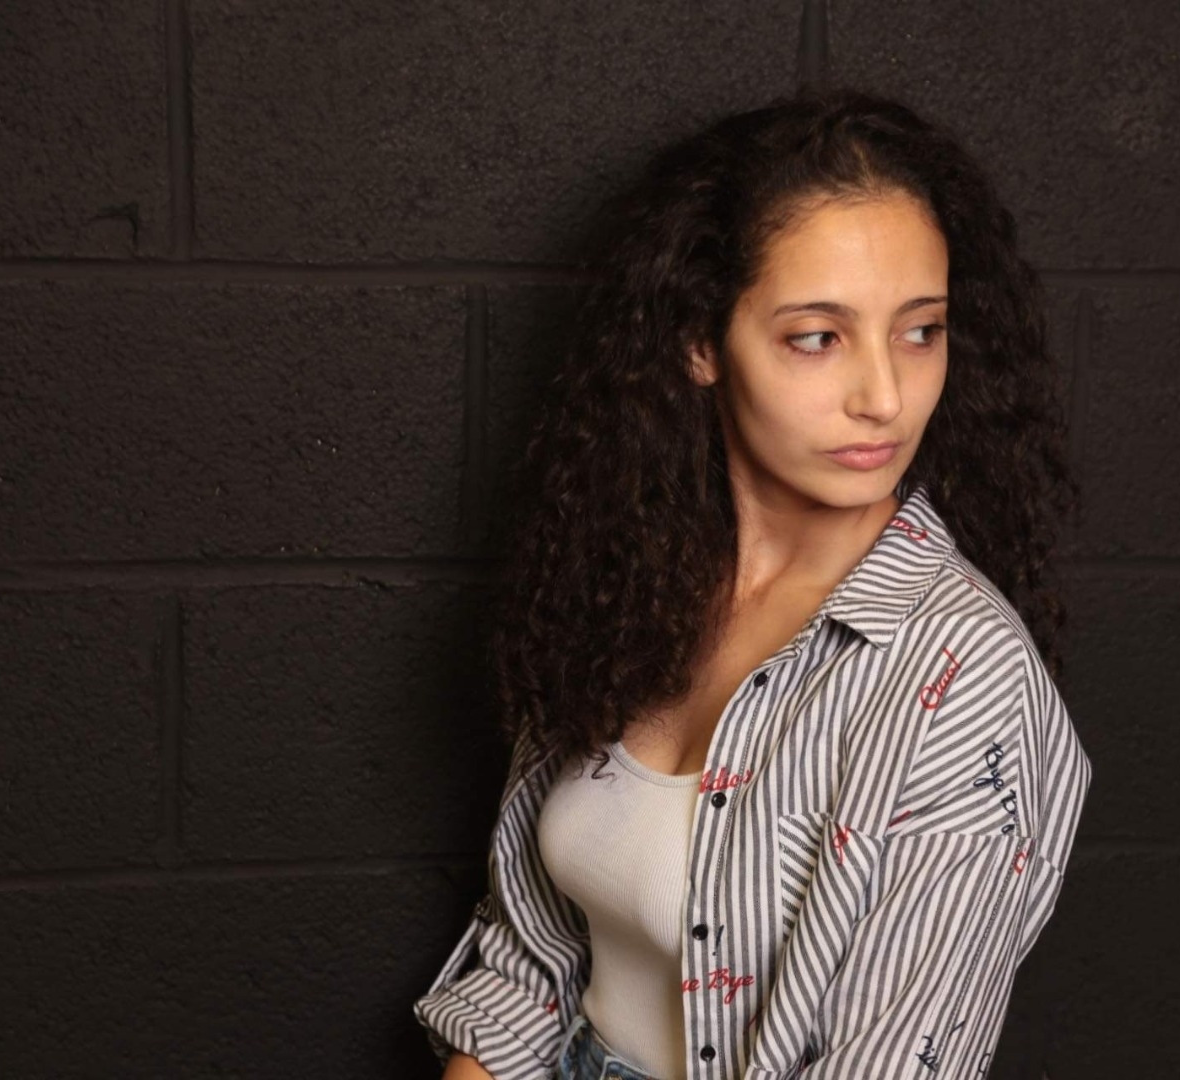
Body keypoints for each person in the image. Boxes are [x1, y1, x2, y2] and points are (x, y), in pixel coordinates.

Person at [414, 85, 1093, 1080]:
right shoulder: (631, 581)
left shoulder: (961, 678)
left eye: (921, 331)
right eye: (818, 337)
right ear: (699, 342)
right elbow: (529, 954)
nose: (885, 396)